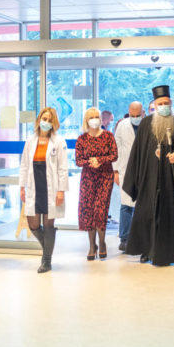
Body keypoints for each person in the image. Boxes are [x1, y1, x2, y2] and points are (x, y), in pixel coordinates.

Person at [123, 85, 174, 266]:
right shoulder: (146, 124)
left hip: (172, 179)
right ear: (154, 105)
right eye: (160, 104)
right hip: (149, 178)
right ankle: (147, 251)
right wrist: (136, 178)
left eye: (166, 103)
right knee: (147, 214)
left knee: (169, 216)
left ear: (171, 103)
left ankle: (168, 254)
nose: (163, 107)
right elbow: (138, 152)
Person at [19, 107, 68, 273]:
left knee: (48, 225)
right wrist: (22, 187)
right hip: (34, 186)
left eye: (49, 120)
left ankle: (46, 260)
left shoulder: (59, 142)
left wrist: (61, 191)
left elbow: (63, 168)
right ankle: (47, 247)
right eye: (44, 119)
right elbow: (24, 165)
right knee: (33, 224)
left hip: (51, 189)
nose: (46, 122)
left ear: (53, 123)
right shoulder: (30, 140)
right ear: (39, 120)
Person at [75, 107, 118, 260]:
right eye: (91, 117)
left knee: (100, 209)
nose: (94, 119)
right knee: (88, 211)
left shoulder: (108, 136)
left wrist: (100, 160)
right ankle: (92, 245)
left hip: (105, 177)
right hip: (88, 178)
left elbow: (114, 155)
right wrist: (90, 162)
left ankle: (102, 242)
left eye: (96, 116)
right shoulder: (82, 139)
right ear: (86, 120)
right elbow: (78, 160)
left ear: (100, 119)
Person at [112, 101, 144, 252]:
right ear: (128, 112)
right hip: (125, 169)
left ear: (143, 112)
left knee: (142, 205)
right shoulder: (122, 125)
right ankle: (124, 238)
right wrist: (115, 171)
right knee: (126, 205)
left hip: (143, 169)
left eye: (138, 115)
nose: (135, 118)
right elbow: (116, 148)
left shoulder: (148, 124)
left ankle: (141, 238)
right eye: (132, 115)